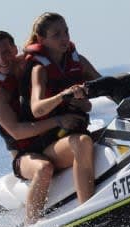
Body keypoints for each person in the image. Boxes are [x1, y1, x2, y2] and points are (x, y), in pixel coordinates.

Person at [0, 30, 89, 225]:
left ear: (15, 49)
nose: (2, 59)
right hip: (24, 157)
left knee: (86, 143)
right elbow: (17, 132)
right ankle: (31, 225)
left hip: (50, 144)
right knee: (44, 168)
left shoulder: (31, 66)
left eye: (6, 52)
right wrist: (59, 121)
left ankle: (88, 205)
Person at [23, 12, 102, 207]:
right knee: (83, 142)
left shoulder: (78, 61)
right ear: (42, 40)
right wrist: (62, 96)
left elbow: (105, 85)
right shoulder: (39, 69)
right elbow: (37, 109)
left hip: (73, 133)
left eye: (66, 32)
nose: (64, 38)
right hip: (49, 146)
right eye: (56, 34)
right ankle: (87, 210)